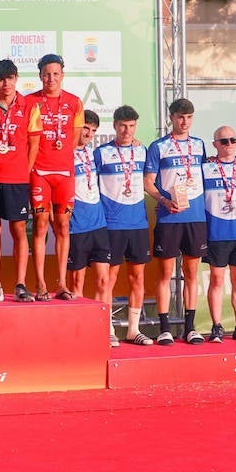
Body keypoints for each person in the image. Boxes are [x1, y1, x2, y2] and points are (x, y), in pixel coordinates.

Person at [0, 58, 42, 303]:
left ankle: (21, 284)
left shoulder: (30, 107)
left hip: (17, 179)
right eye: (1, 79)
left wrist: (24, 171)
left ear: (16, 78)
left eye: (10, 78)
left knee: (19, 229)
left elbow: (34, 144)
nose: (6, 83)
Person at [144, 97, 208, 346]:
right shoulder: (158, 146)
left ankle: (190, 328)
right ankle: (164, 328)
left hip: (195, 217)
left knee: (192, 273)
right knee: (165, 273)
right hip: (169, 217)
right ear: (171, 117)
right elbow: (148, 182)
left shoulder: (200, 145)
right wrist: (163, 200)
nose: (184, 122)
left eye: (189, 117)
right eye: (180, 117)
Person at [27, 53, 84, 301]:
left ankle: (61, 283)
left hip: (64, 174)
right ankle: (40, 282)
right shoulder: (30, 102)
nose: (51, 78)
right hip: (39, 172)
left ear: (62, 75)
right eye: (46, 74)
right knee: (40, 226)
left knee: (63, 226)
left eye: (55, 73)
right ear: (40, 76)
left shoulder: (74, 102)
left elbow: (74, 138)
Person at [95, 106, 150, 346]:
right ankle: (107, 330)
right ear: (115, 126)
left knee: (137, 277)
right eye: (123, 126)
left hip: (138, 223)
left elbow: (151, 180)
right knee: (109, 279)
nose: (127, 131)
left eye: (131, 126)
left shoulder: (142, 151)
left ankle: (133, 330)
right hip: (112, 224)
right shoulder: (101, 153)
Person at [201, 126, 236, 342]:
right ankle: (216, 325)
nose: (229, 144)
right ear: (215, 144)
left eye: (233, 140)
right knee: (216, 280)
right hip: (216, 231)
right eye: (223, 141)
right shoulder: (205, 167)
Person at [69, 110, 114, 343]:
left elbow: (119, 150)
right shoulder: (64, 153)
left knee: (104, 280)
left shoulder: (94, 153)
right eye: (86, 128)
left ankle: (102, 329)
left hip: (99, 224)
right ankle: (79, 333)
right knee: (77, 282)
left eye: (93, 130)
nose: (88, 133)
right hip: (76, 226)